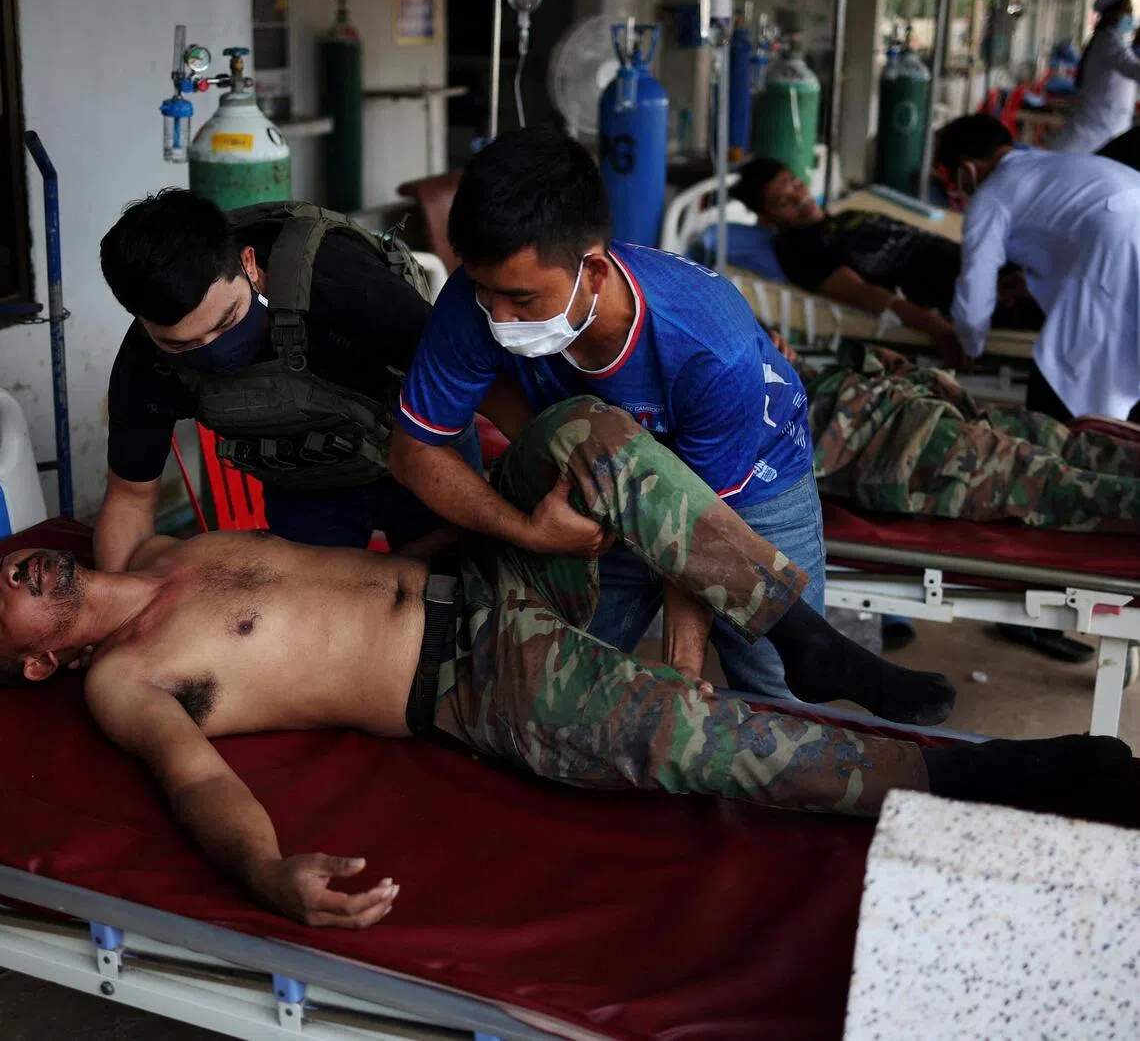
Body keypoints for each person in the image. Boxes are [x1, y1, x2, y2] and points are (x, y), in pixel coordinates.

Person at [3, 395, 1132, 928]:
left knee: (585, 426)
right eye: (5, 597)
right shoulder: (122, 679)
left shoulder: (164, 542)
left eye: (10, 563)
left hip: (488, 572)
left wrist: (512, 524)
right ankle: (996, 777)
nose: (22, 573)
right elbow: (198, 783)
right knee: (709, 741)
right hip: (465, 679)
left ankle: (799, 631)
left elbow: (138, 468)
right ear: (38, 666)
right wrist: (270, 877)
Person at [390, 126, 823, 702]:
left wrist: (683, 667)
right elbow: (414, 448)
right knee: (554, 695)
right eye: (484, 291)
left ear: (592, 272)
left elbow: (698, 521)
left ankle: (811, 654)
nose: (499, 317)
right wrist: (526, 530)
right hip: (596, 492)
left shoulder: (709, 345)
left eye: (522, 300)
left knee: (782, 692)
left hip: (751, 484)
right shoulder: (476, 302)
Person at [95, 190, 479, 571]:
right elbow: (129, 501)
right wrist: (109, 609)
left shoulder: (337, 279)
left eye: (226, 322)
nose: (211, 349)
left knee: (457, 580)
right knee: (315, 605)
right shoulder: (147, 359)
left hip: (418, 447)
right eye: (183, 344)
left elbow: (466, 373)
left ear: (249, 264)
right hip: (306, 478)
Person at [791, 339, 1140, 529]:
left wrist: (782, 355)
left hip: (894, 402)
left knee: (1056, 438)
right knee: (1040, 477)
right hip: (881, 447)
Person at [727, 158, 1040, 365]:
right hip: (976, 298)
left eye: (795, 183)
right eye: (784, 202)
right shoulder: (799, 248)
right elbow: (862, 293)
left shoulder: (846, 214)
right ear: (768, 221)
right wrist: (938, 329)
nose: (800, 198)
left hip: (994, 268)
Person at [938, 113, 1140, 423]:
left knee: (1067, 378)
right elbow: (1065, 233)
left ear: (968, 167)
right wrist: (1031, 282)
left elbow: (975, 283)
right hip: (1128, 225)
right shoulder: (1049, 163)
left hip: (1118, 246)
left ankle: (1062, 453)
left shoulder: (992, 193)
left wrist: (970, 344)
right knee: (1126, 367)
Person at [1052, 0, 1140, 154]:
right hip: (1097, 126)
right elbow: (1133, 69)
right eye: (1126, 13)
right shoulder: (1108, 42)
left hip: (1107, 124)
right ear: (1112, 14)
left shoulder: (1113, 41)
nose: (1130, 18)